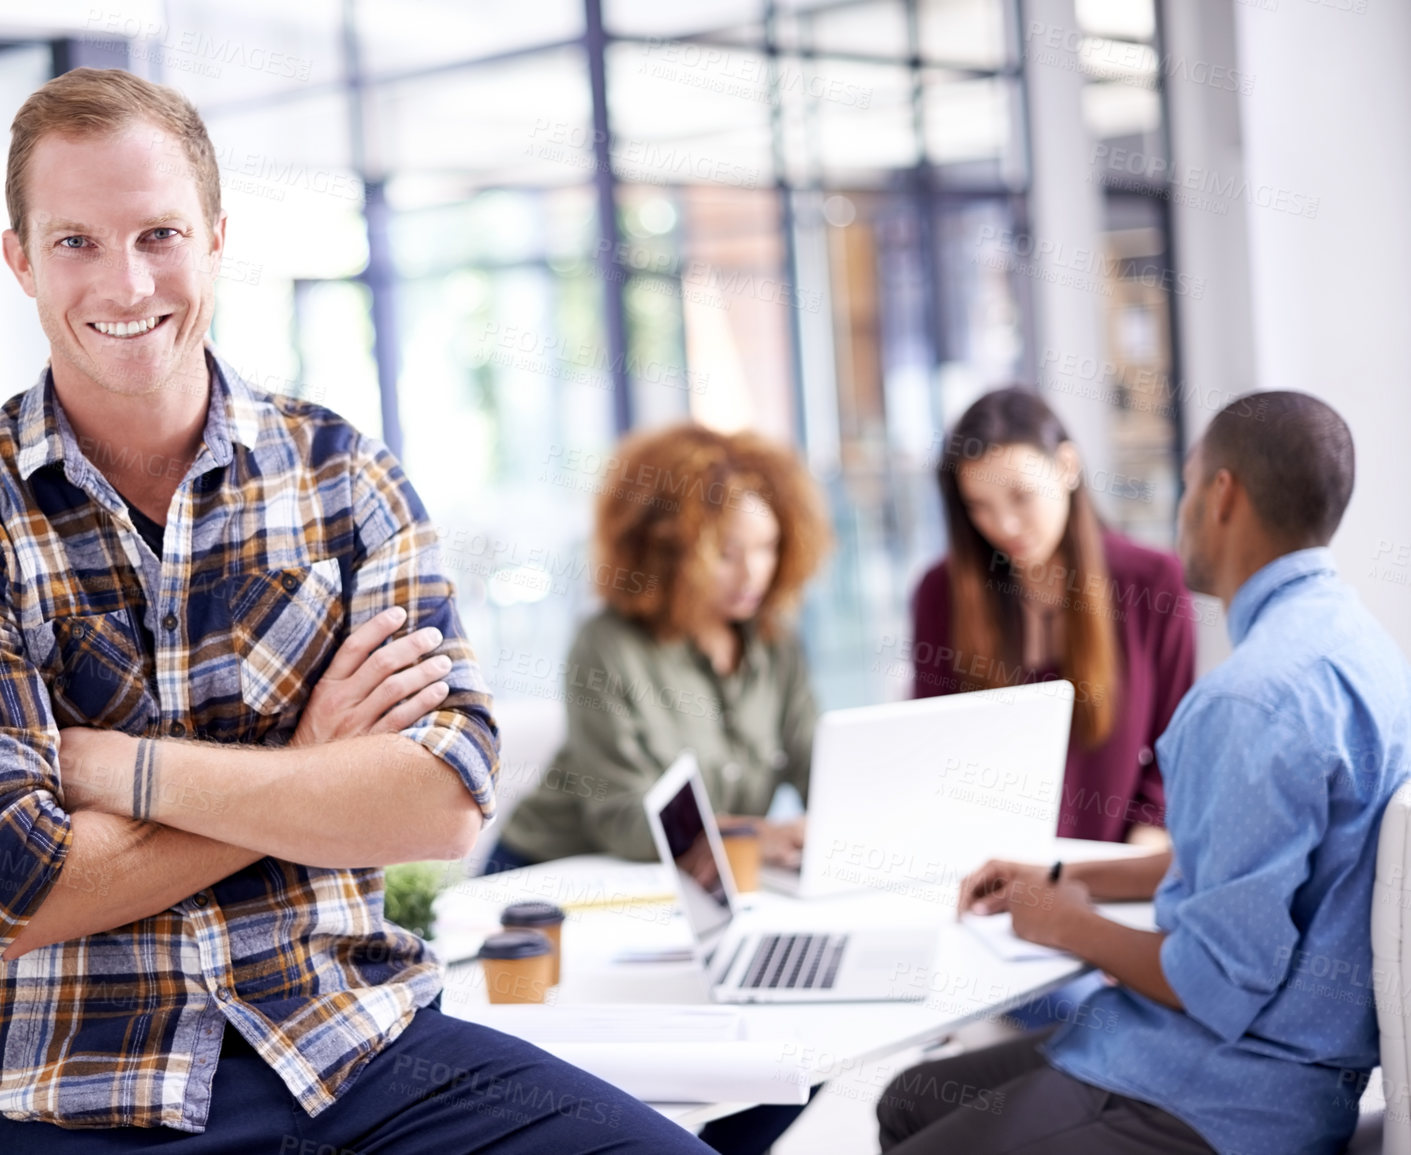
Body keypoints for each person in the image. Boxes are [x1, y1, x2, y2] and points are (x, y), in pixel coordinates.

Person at [0, 68, 716, 1154]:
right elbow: (11, 892)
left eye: (159, 233)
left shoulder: (341, 475)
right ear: (20, 259)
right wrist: (312, 766)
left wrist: (131, 771)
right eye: (76, 241)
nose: (125, 285)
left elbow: (445, 800)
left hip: (364, 1050)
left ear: (217, 236)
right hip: (92, 1098)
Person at [876, 391, 1411, 1154]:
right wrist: (1059, 872)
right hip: (1244, 1065)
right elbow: (1235, 860)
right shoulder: (1362, 648)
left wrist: (1063, 921)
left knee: (913, 1124)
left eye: (1189, 483)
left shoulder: (1250, 699)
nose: (1180, 507)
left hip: (1208, 1093)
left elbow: (1212, 980)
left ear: (1220, 495)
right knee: (908, 1101)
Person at [494, 423, 833, 873]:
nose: (753, 573)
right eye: (727, 554)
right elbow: (621, 819)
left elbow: (821, 771)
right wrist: (751, 835)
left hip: (691, 886)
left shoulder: (777, 644)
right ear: (668, 550)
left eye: (767, 547)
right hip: (553, 877)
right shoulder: (606, 645)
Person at [911, 387, 1196, 843]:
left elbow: (1178, 749)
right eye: (979, 507)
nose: (1003, 526)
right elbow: (930, 746)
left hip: (1111, 877)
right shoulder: (940, 593)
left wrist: (1130, 867)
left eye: (1022, 497)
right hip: (981, 873)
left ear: (1067, 467)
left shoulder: (1153, 583)